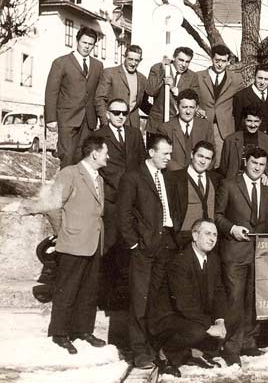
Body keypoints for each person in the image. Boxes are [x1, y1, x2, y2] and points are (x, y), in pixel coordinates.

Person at [38, 135, 109, 354]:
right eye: (106, 152)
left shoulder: (99, 178)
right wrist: (64, 232)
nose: (108, 156)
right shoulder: (69, 173)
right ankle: (60, 334)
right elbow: (52, 206)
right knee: (67, 289)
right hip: (73, 242)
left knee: (89, 290)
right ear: (94, 153)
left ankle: (83, 331)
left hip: (94, 241)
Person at [117, 134, 178, 368]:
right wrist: (134, 243)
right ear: (151, 152)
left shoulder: (165, 176)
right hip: (143, 248)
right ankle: (140, 351)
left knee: (156, 301)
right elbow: (123, 215)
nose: (168, 158)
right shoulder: (133, 177)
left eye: (170, 154)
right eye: (165, 153)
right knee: (140, 301)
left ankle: (154, 346)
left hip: (164, 246)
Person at [215, 147, 268, 366]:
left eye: (262, 165)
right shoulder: (229, 184)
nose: (257, 168)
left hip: (260, 253)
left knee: (254, 298)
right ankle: (231, 347)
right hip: (234, 252)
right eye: (254, 163)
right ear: (245, 162)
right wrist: (232, 228)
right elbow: (218, 216)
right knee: (235, 299)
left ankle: (249, 343)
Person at [94, 98, 146, 350]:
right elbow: (102, 168)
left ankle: (122, 298)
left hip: (132, 200)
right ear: (107, 114)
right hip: (112, 198)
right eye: (116, 113)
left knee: (127, 247)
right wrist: (125, 185)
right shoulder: (100, 135)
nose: (120, 117)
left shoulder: (135, 134)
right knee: (110, 246)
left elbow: (140, 162)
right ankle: (106, 299)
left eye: (124, 113)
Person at [148, 218, 227, 377]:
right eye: (207, 234)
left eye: (215, 235)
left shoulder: (213, 260)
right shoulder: (180, 261)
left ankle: (193, 353)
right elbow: (184, 304)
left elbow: (219, 292)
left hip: (190, 316)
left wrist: (220, 321)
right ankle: (165, 355)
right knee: (198, 331)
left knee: (227, 319)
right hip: (168, 318)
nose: (212, 238)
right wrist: (209, 327)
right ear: (195, 235)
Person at [45, 26, 103, 168]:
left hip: (88, 120)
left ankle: (79, 189)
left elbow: (98, 93)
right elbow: (51, 92)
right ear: (77, 41)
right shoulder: (61, 63)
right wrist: (51, 118)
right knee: (67, 156)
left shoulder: (98, 65)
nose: (87, 47)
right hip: (67, 118)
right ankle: (65, 189)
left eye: (90, 44)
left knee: (84, 159)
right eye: (84, 43)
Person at [195, 44, 246, 168]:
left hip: (224, 128)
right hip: (202, 124)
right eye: (217, 60)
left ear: (228, 62)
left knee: (220, 164)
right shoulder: (198, 76)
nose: (220, 64)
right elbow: (191, 97)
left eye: (223, 61)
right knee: (201, 161)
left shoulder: (235, 79)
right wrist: (197, 109)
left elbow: (244, 99)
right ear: (212, 59)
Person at [168, 141, 221, 247]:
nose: (203, 161)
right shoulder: (174, 178)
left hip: (209, 240)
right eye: (200, 156)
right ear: (192, 155)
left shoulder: (216, 179)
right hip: (182, 239)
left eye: (207, 158)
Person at [156, 89, 214, 171]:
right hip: (174, 176)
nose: (188, 111)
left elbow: (212, 154)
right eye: (184, 107)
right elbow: (164, 157)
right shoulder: (165, 128)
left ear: (197, 108)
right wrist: (181, 175)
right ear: (177, 106)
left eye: (191, 107)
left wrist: (200, 172)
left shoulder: (206, 126)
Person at [145, 46, 199, 134]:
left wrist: (175, 90)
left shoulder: (192, 76)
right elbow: (150, 91)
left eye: (187, 62)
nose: (184, 65)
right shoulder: (158, 68)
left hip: (179, 126)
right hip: (157, 124)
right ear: (174, 57)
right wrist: (163, 72)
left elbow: (194, 100)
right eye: (181, 60)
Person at [95, 44, 148, 129]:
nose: (133, 63)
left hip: (133, 127)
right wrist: (105, 122)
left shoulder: (142, 79)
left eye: (136, 60)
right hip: (112, 124)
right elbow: (100, 99)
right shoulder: (109, 73)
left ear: (140, 60)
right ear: (125, 57)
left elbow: (143, 104)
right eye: (130, 59)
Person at [219, 105, 268, 182]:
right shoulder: (230, 140)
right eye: (249, 121)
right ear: (244, 120)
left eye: (256, 121)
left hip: (257, 181)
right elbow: (224, 167)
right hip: (234, 183)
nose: (253, 125)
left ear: (261, 121)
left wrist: (264, 175)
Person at [233, 64, 268, 138]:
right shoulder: (241, 96)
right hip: (249, 141)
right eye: (260, 78)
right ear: (254, 76)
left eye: (266, 79)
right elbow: (237, 124)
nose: (262, 82)